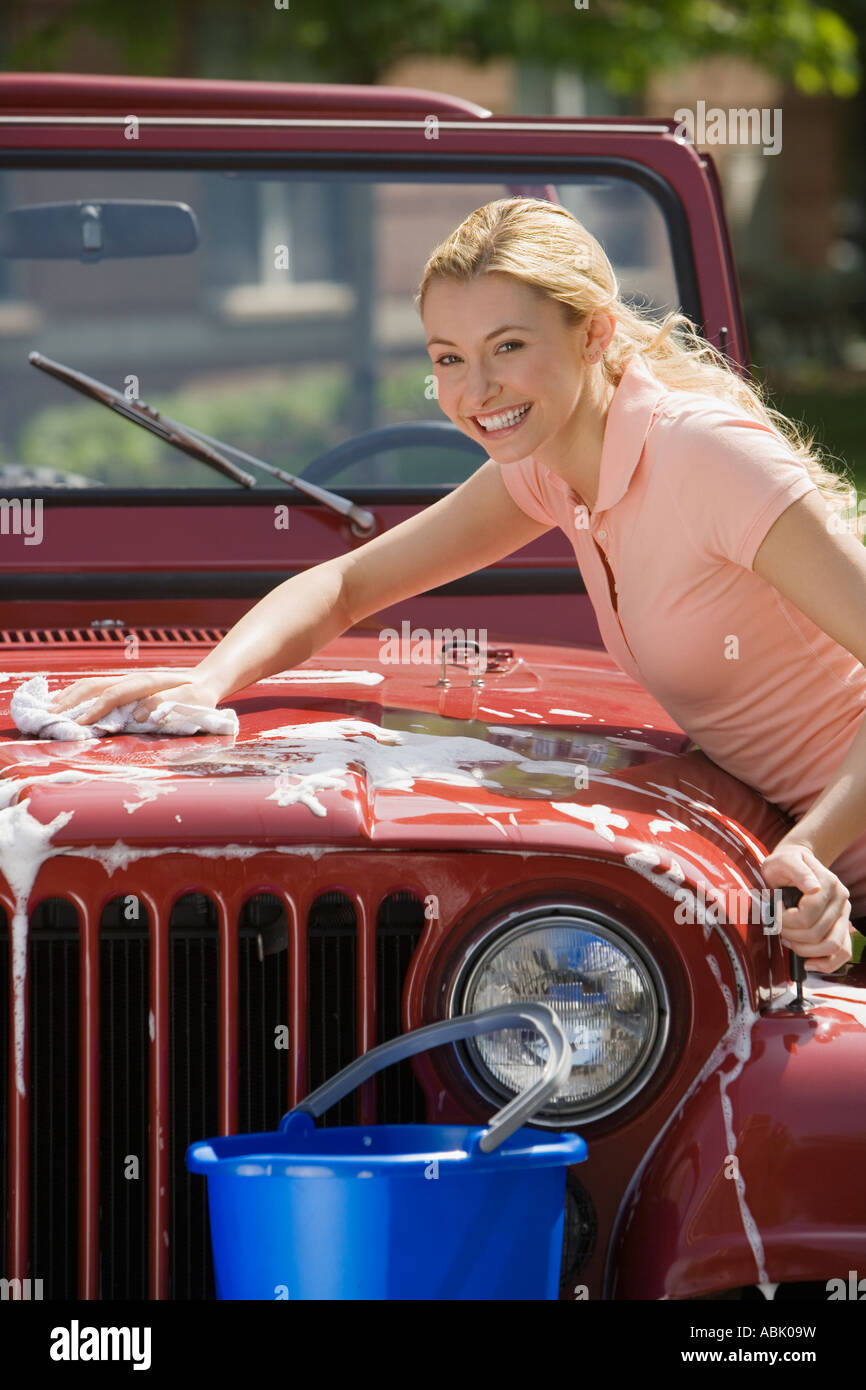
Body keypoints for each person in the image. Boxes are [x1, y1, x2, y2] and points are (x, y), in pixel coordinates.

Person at [49, 196, 866, 974]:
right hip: (816, 877)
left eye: (509, 347)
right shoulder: (553, 466)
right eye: (448, 359)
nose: (475, 393)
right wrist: (207, 680)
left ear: (596, 335)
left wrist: (811, 845)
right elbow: (344, 585)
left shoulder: (702, 455)